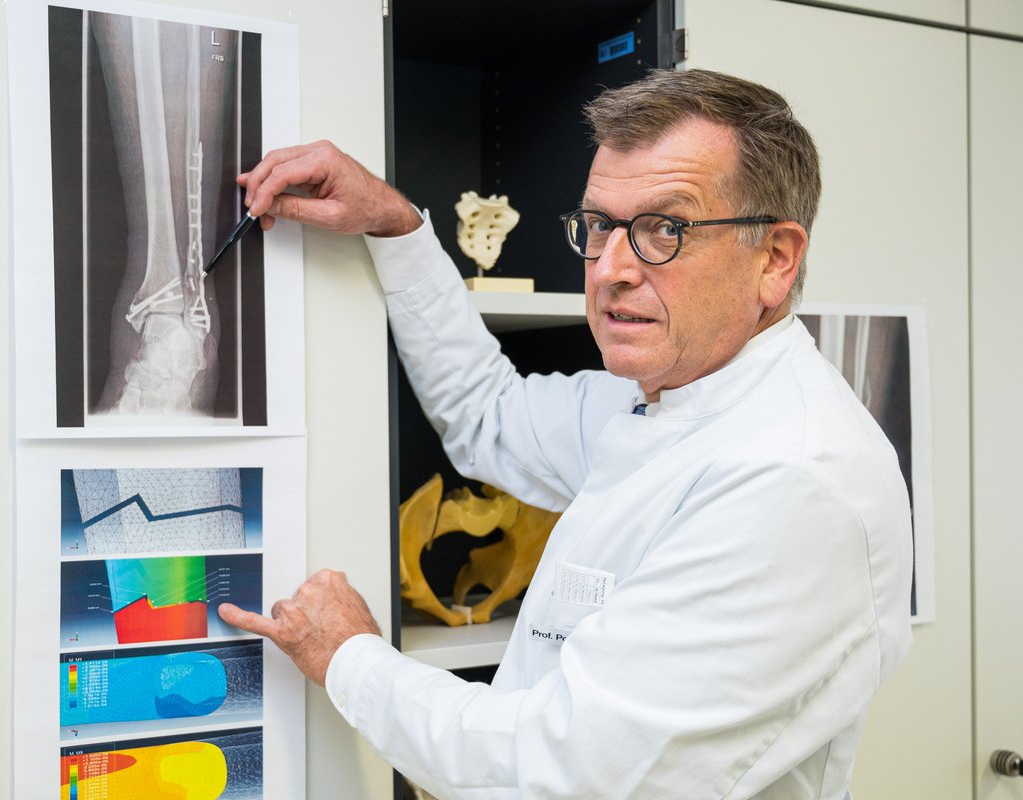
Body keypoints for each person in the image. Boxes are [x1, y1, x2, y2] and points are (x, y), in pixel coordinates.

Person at [218, 69, 913, 799]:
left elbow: (566, 774)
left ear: (775, 259)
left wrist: (351, 658)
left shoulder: (792, 477)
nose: (610, 269)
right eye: (600, 226)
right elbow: (487, 412)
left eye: (665, 230)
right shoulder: (655, 399)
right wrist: (395, 227)